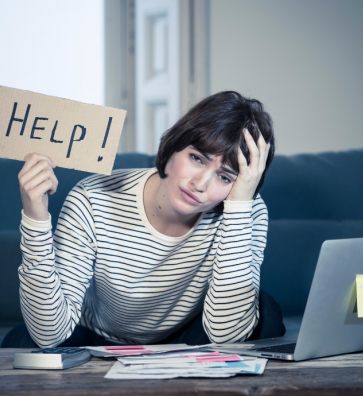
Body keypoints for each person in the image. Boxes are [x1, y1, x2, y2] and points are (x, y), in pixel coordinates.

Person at [2, 91, 283, 348]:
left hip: (185, 336)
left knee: (264, 312)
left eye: (224, 177)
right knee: (24, 343)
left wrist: (240, 206)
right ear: (173, 148)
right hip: (91, 334)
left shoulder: (244, 207)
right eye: (197, 158)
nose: (200, 184)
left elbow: (228, 336)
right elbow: (49, 333)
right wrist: (35, 217)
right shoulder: (91, 197)